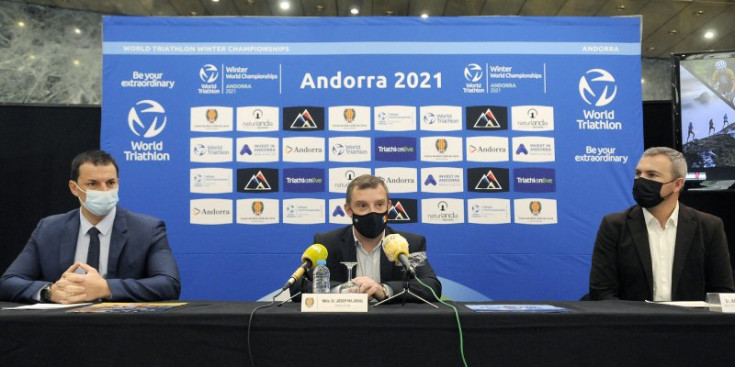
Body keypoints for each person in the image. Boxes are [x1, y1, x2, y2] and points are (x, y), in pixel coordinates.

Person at [0, 150, 181, 303]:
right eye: (93, 184)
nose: (104, 191)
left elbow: (168, 284)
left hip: (123, 330)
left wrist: (106, 288)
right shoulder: (49, 229)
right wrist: (50, 292)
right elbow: (8, 282)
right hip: (59, 330)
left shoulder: (147, 230)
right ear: (74, 188)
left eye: (110, 183)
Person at [589, 147, 734, 301]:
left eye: (652, 175)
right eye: (638, 173)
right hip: (633, 323)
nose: (641, 180)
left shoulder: (709, 227)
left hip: (690, 323)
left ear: (677, 184)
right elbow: (602, 292)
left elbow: (722, 293)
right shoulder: (614, 226)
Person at [290, 174, 442, 302]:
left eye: (379, 204)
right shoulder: (327, 243)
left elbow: (431, 287)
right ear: (349, 210)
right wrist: (342, 290)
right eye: (362, 206)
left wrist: (384, 289)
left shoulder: (410, 244)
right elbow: (298, 287)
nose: (372, 212)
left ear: (388, 207)